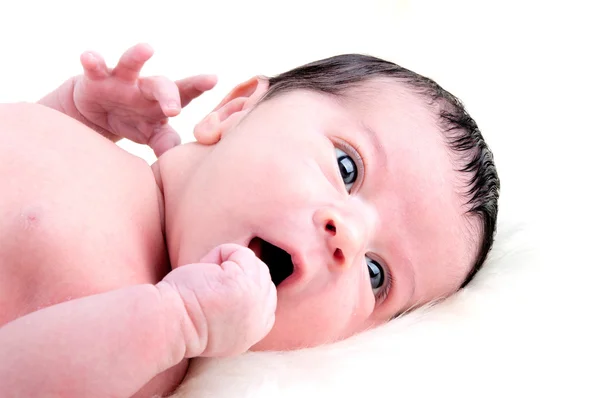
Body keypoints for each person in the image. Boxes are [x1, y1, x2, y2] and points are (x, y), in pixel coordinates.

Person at [0, 43, 499, 398]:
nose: (349, 236)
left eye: (376, 274)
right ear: (234, 110)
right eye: (347, 168)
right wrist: (70, 114)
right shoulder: (111, 166)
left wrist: (179, 320)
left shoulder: (145, 355)